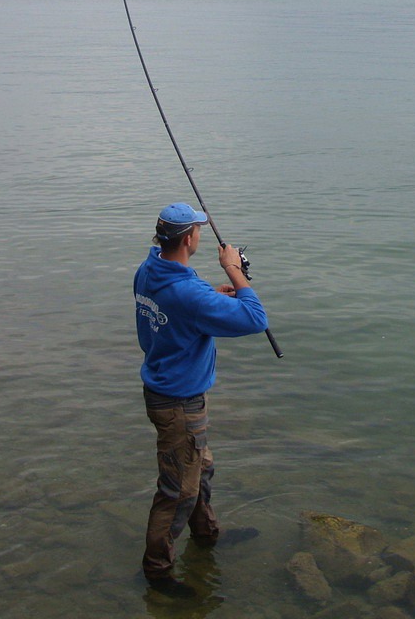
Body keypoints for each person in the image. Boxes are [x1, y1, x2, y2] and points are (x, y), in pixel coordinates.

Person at [134, 202, 268, 592]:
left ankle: (206, 533)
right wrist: (234, 270)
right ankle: (157, 572)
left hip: (165, 390)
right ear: (190, 238)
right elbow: (256, 319)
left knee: (200, 469)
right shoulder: (188, 293)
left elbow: (181, 301)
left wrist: (211, 295)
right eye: (198, 232)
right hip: (178, 403)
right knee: (177, 491)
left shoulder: (149, 270)